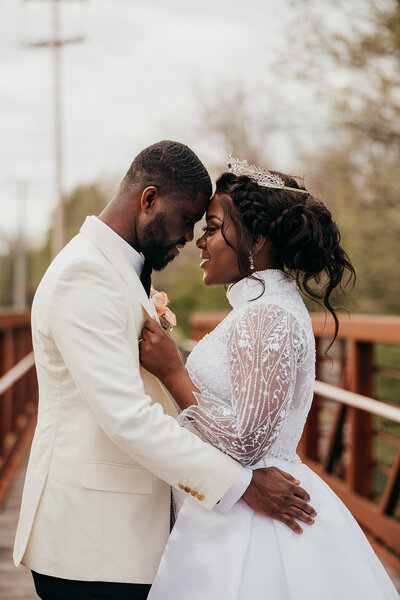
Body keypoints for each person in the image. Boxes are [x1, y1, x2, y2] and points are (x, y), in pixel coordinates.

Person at [13, 143, 316, 600]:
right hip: (92, 544)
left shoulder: (124, 271)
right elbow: (127, 416)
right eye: (188, 220)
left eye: (205, 225)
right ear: (148, 199)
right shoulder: (86, 275)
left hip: (130, 538)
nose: (190, 237)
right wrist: (240, 485)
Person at [139, 157, 399, 599]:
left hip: (251, 523)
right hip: (234, 506)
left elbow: (245, 440)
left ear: (256, 239)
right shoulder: (261, 309)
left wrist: (173, 370)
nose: (200, 241)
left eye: (214, 227)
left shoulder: (268, 317)